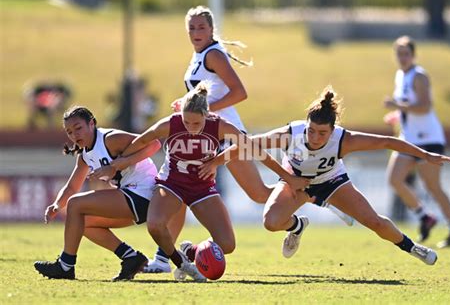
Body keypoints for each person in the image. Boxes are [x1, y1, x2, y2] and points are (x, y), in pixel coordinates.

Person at [144, 5, 352, 273]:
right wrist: (186, 103)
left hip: (227, 136)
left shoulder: (213, 54)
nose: (196, 32)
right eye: (192, 28)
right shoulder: (198, 56)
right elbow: (205, 95)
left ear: (211, 29)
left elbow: (239, 92)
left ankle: (320, 198)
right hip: (208, 138)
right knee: (220, 194)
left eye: (201, 27)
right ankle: (163, 259)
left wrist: (204, 111)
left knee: (260, 194)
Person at [202, 86, 450, 265]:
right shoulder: (292, 133)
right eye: (312, 131)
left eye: (322, 133)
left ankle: (413, 247)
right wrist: (214, 162)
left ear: (333, 131)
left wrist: (426, 155)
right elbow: (247, 144)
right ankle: (298, 225)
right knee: (270, 222)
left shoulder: (344, 140)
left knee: (375, 223)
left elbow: (388, 142)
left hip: (332, 182)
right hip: (296, 180)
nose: (314, 137)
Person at [120, 82, 309, 281]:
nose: (191, 129)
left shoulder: (220, 126)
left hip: (202, 188)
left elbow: (254, 150)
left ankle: (191, 252)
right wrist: (117, 164)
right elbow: (140, 141)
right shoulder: (170, 123)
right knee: (155, 224)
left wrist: (288, 177)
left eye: (197, 124)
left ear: (207, 116)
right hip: (171, 184)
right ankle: (181, 264)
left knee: (227, 244)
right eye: (186, 122)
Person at [33, 106, 160, 281]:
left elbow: (154, 144)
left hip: (144, 193)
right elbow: (71, 187)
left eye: (78, 128)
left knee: (76, 204)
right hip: (133, 199)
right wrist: (57, 204)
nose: (75, 135)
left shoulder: (110, 139)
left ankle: (65, 265)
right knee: (81, 223)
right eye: (70, 132)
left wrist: (118, 164)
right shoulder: (84, 154)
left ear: (91, 123)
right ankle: (131, 257)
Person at [384, 36, 450, 247]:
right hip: (409, 138)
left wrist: (399, 107)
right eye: (399, 54)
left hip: (428, 139)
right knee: (394, 179)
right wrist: (398, 116)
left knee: (433, 186)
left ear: (413, 55)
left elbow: (425, 107)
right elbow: (409, 107)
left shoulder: (419, 76)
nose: (402, 58)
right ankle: (425, 216)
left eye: (406, 53)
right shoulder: (399, 75)